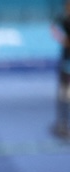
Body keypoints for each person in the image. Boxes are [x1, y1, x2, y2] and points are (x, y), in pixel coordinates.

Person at [54, 1, 70, 139]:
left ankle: (63, 125)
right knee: (64, 96)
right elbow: (53, 27)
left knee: (65, 96)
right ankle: (62, 124)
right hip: (66, 65)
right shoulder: (64, 19)